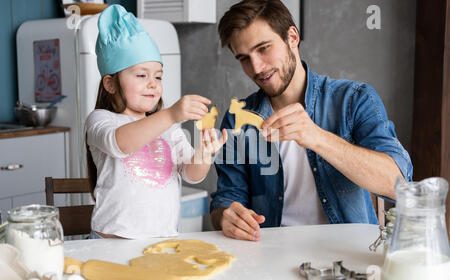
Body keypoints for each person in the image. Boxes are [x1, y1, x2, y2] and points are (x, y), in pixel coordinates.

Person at [210, 0, 413, 241]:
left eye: (264, 48)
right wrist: (226, 216)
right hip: (268, 258)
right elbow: (226, 197)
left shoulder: (354, 99)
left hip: (346, 258)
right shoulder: (238, 118)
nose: (256, 67)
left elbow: (398, 183)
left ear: (292, 37)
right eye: (244, 58)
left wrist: (317, 137)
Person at [85, 5, 227, 239]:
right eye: (142, 75)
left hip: (162, 241)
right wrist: (171, 115)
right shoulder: (101, 119)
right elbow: (120, 144)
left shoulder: (169, 128)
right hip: (110, 243)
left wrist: (204, 153)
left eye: (158, 76)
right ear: (110, 84)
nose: (153, 83)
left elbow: (192, 174)